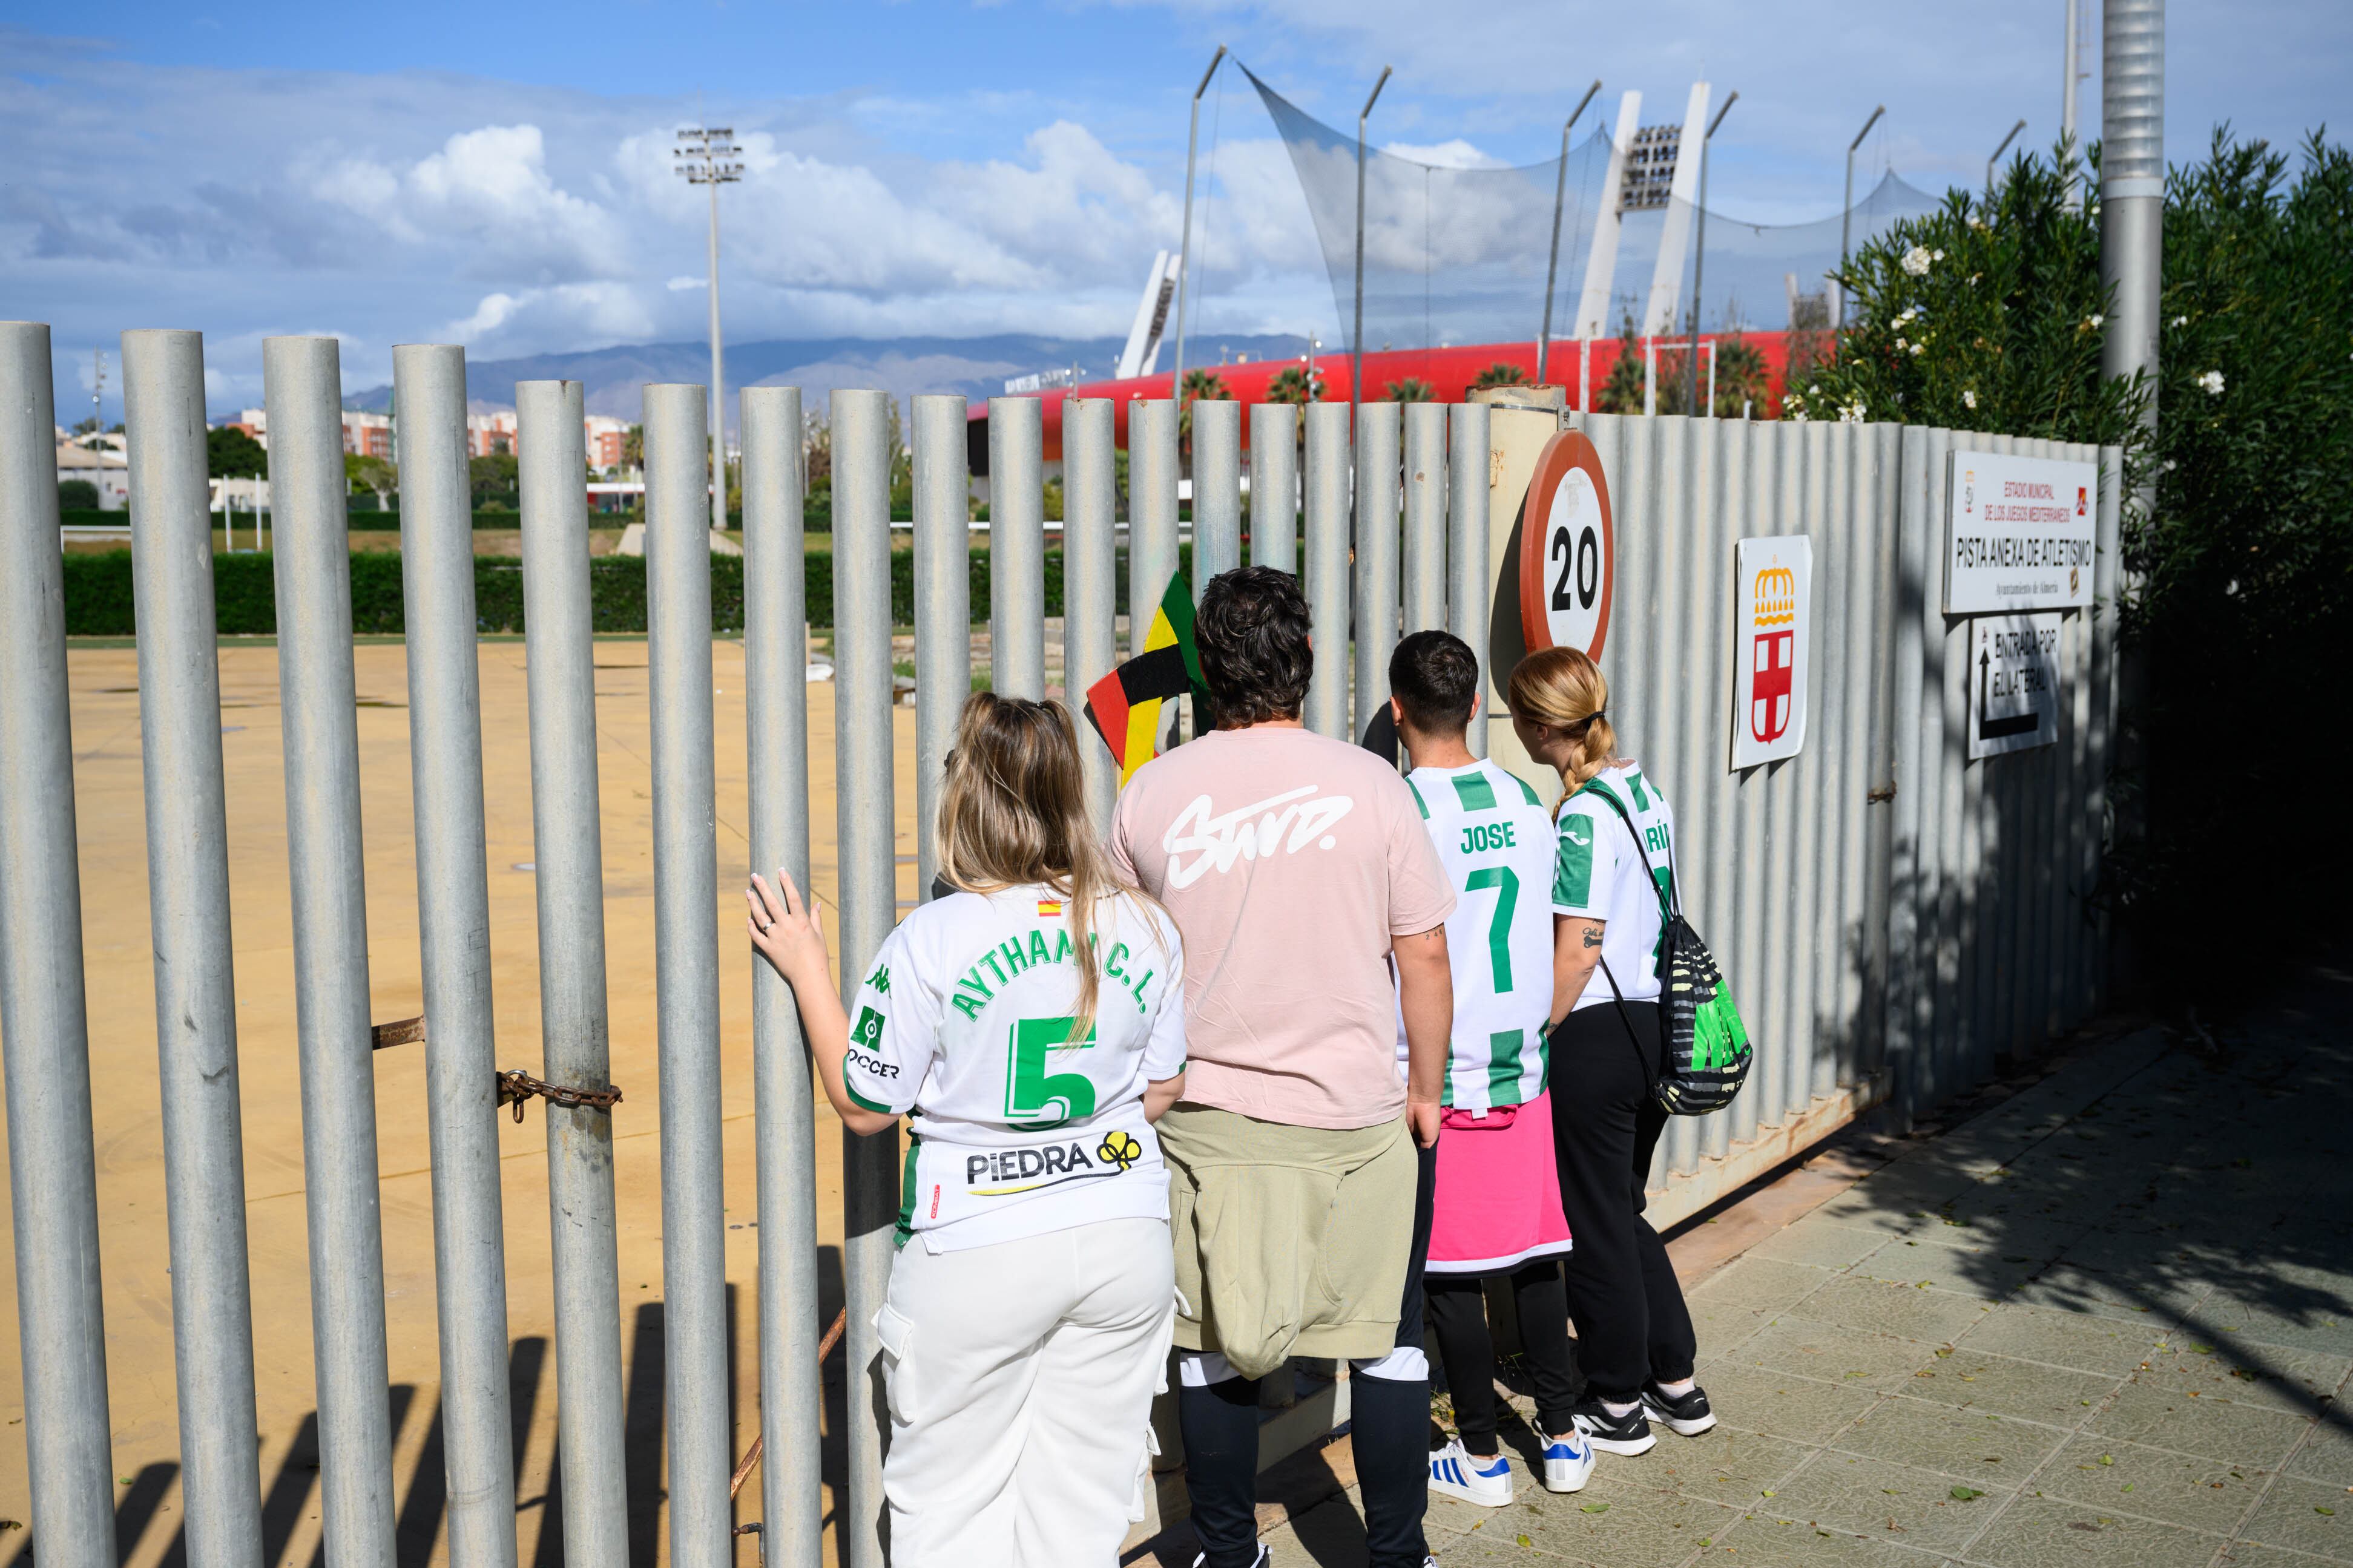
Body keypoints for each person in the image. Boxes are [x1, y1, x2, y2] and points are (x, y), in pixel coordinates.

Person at [746, 692, 1189, 1567]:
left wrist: (808, 970)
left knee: (948, 1514)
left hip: (979, 1247)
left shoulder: (933, 937)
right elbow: (1166, 1089)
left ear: (966, 800)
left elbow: (866, 1105)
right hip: (1124, 1237)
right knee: (1083, 1509)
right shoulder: (1147, 922)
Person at [1110, 566, 1456, 1568]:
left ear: (1205, 674)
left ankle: (1229, 1554)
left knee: (1213, 1347)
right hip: (1356, 1119)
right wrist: (1425, 1093)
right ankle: (1397, 1557)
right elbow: (1424, 953)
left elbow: (1125, 958)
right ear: (1304, 665)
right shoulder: (1372, 784)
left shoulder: (1152, 792)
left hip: (1204, 1122)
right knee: (1388, 1345)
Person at [1384, 631, 1593, 1507]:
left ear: (1399, 714)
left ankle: (1479, 1453)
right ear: (1476, 707)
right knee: (1538, 1256)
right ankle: (1564, 1434)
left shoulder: (1399, 809)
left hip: (1448, 1071)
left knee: (1450, 1274)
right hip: (1523, 1061)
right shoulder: (1521, 794)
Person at [1508, 646, 1716, 1457]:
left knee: (1594, 1223)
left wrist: (1540, 1028)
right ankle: (1677, 1380)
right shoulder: (1643, 789)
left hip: (1597, 1034)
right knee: (1622, 1210)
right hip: (1655, 1027)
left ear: (1535, 724)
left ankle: (1618, 1400)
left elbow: (1580, 945)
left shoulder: (1587, 811)